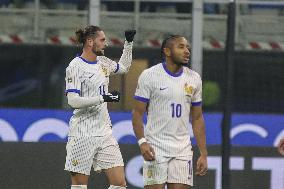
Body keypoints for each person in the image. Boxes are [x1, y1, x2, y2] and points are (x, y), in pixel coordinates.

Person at [64, 25, 136, 189]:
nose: (106, 44)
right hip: (82, 133)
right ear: (90, 42)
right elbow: (73, 101)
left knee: (119, 183)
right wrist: (102, 98)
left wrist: (129, 43)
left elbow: (124, 67)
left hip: (104, 132)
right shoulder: (75, 67)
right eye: (102, 40)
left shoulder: (103, 62)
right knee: (79, 185)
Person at [132, 35, 208, 189]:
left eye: (187, 48)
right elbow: (137, 113)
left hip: (182, 149)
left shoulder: (194, 78)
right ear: (167, 51)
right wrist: (142, 142)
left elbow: (198, 118)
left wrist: (203, 153)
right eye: (181, 47)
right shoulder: (149, 76)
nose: (187, 51)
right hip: (155, 147)